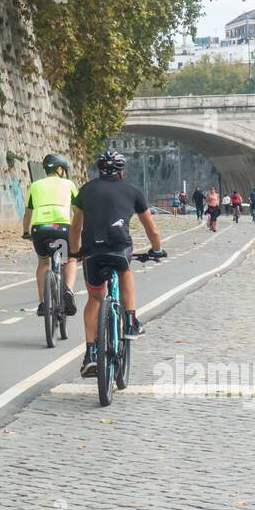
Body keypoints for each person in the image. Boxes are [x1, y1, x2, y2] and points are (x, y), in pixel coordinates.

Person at [70, 151, 164, 377]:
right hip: (119, 247)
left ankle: (90, 353)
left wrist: (75, 252)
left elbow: (75, 227)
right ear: (122, 172)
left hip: (92, 249)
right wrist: (157, 250)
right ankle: (130, 320)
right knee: (125, 271)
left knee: (94, 298)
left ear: (99, 170)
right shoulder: (133, 192)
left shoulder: (85, 191)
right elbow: (151, 229)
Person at [21, 154, 78, 317]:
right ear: (60, 169)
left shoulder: (35, 186)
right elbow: (77, 210)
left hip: (40, 229)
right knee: (70, 260)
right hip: (62, 228)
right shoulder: (69, 184)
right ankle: (68, 290)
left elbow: (28, 213)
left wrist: (25, 232)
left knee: (43, 263)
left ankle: (43, 303)